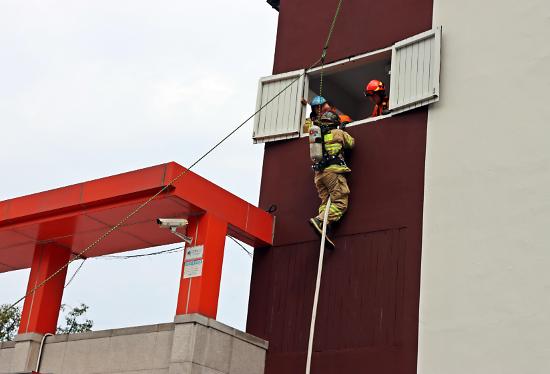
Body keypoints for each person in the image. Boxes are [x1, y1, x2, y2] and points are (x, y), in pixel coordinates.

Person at [309, 111, 355, 247]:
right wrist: (343, 129)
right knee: (340, 203)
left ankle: (324, 225)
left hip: (319, 175)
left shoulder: (318, 136)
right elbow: (351, 143)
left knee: (325, 201)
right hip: (333, 173)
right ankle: (320, 220)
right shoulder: (338, 133)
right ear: (335, 123)